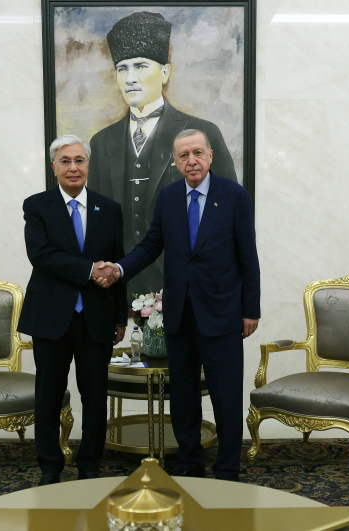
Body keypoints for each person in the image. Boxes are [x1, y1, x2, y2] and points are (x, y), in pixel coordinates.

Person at [96, 129, 260, 482]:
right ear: (175, 162)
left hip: (222, 315)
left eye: (197, 153)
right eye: (184, 155)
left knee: (226, 398)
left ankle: (228, 471)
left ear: (210, 155)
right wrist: (120, 268)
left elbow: (248, 256)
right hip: (179, 316)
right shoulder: (169, 197)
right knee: (184, 400)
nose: (192, 161)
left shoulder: (233, 195)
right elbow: (151, 244)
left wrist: (251, 310)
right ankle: (190, 468)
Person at [87, 10, 238, 302]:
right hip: (122, 283)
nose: (130, 78)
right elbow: (96, 222)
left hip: (187, 281)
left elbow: (228, 216)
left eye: (141, 66)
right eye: (122, 68)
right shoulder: (102, 142)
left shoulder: (204, 133)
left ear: (165, 72)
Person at [17, 135, 126, 485]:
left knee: (94, 396)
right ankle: (50, 467)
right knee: (48, 396)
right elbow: (41, 255)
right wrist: (89, 270)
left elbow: (118, 263)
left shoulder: (109, 208)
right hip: (51, 317)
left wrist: (120, 317)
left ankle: (90, 464)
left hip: (97, 316)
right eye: (65, 161)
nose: (73, 167)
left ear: (88, 164)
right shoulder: (37, 206)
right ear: (54, 167)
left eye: (79, 160)